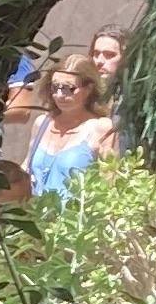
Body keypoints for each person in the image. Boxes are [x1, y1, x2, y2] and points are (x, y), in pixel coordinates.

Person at [27, 50, 117, 201]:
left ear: (89, 89)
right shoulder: (42, 123)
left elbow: (108, 182)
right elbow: (27, 167)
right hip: (35, 212)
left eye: (68, 88)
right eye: (55, 87)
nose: (60, 95)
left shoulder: (101, 128)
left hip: (76, 214)